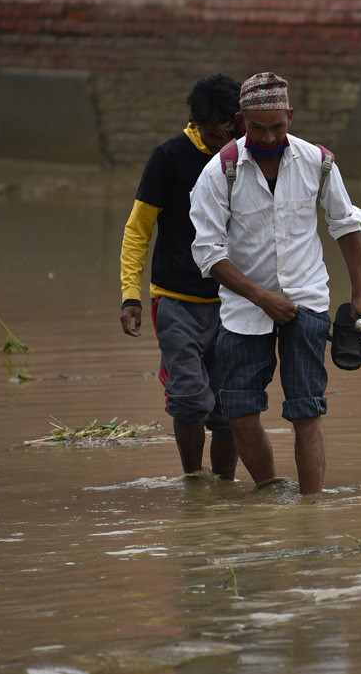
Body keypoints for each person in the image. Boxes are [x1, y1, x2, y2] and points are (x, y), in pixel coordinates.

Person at [189, 72, 361, 495]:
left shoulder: (319, 161)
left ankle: (311, 512)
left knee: (305, 410)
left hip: (307, 301)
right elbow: (208, 253)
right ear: (241, 121)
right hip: (243, 310)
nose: (269, 136)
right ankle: (271, 494)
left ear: (290, 117)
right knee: (239, 412)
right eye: (257, 127)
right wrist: (261, 297)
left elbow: (345, 225)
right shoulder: (219, 171)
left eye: (278, 126)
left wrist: (360, 293)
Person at [119, 73, 242, 480]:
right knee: (189, 398)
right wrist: (130, 296)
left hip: (234, 303)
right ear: (195, 124)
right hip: (175, 302)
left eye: (223, 135)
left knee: (228, 408)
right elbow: (138, 229)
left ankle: (223, 491)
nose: (215, 145)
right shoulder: (168, 157)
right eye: (208, 136)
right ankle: (193, 484)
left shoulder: (246, 157)